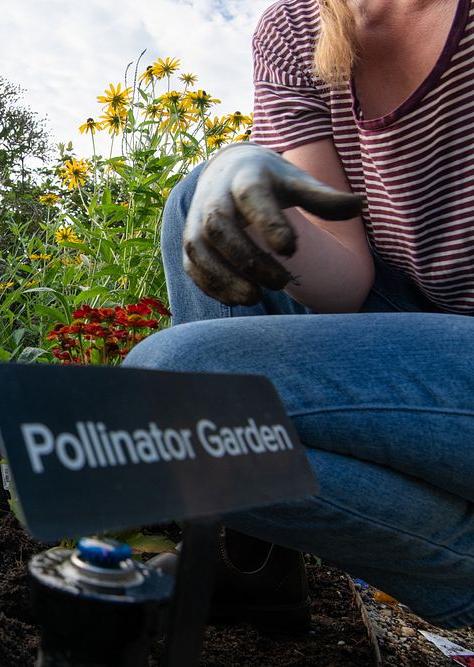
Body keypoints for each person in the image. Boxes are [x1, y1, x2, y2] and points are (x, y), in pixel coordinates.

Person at [125, 0, 473, 630]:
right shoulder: (295, 30)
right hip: (423, 328)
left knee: (171, 392)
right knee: (197, 201)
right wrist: (249, 187)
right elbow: (342, 278)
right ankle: (254, 568)